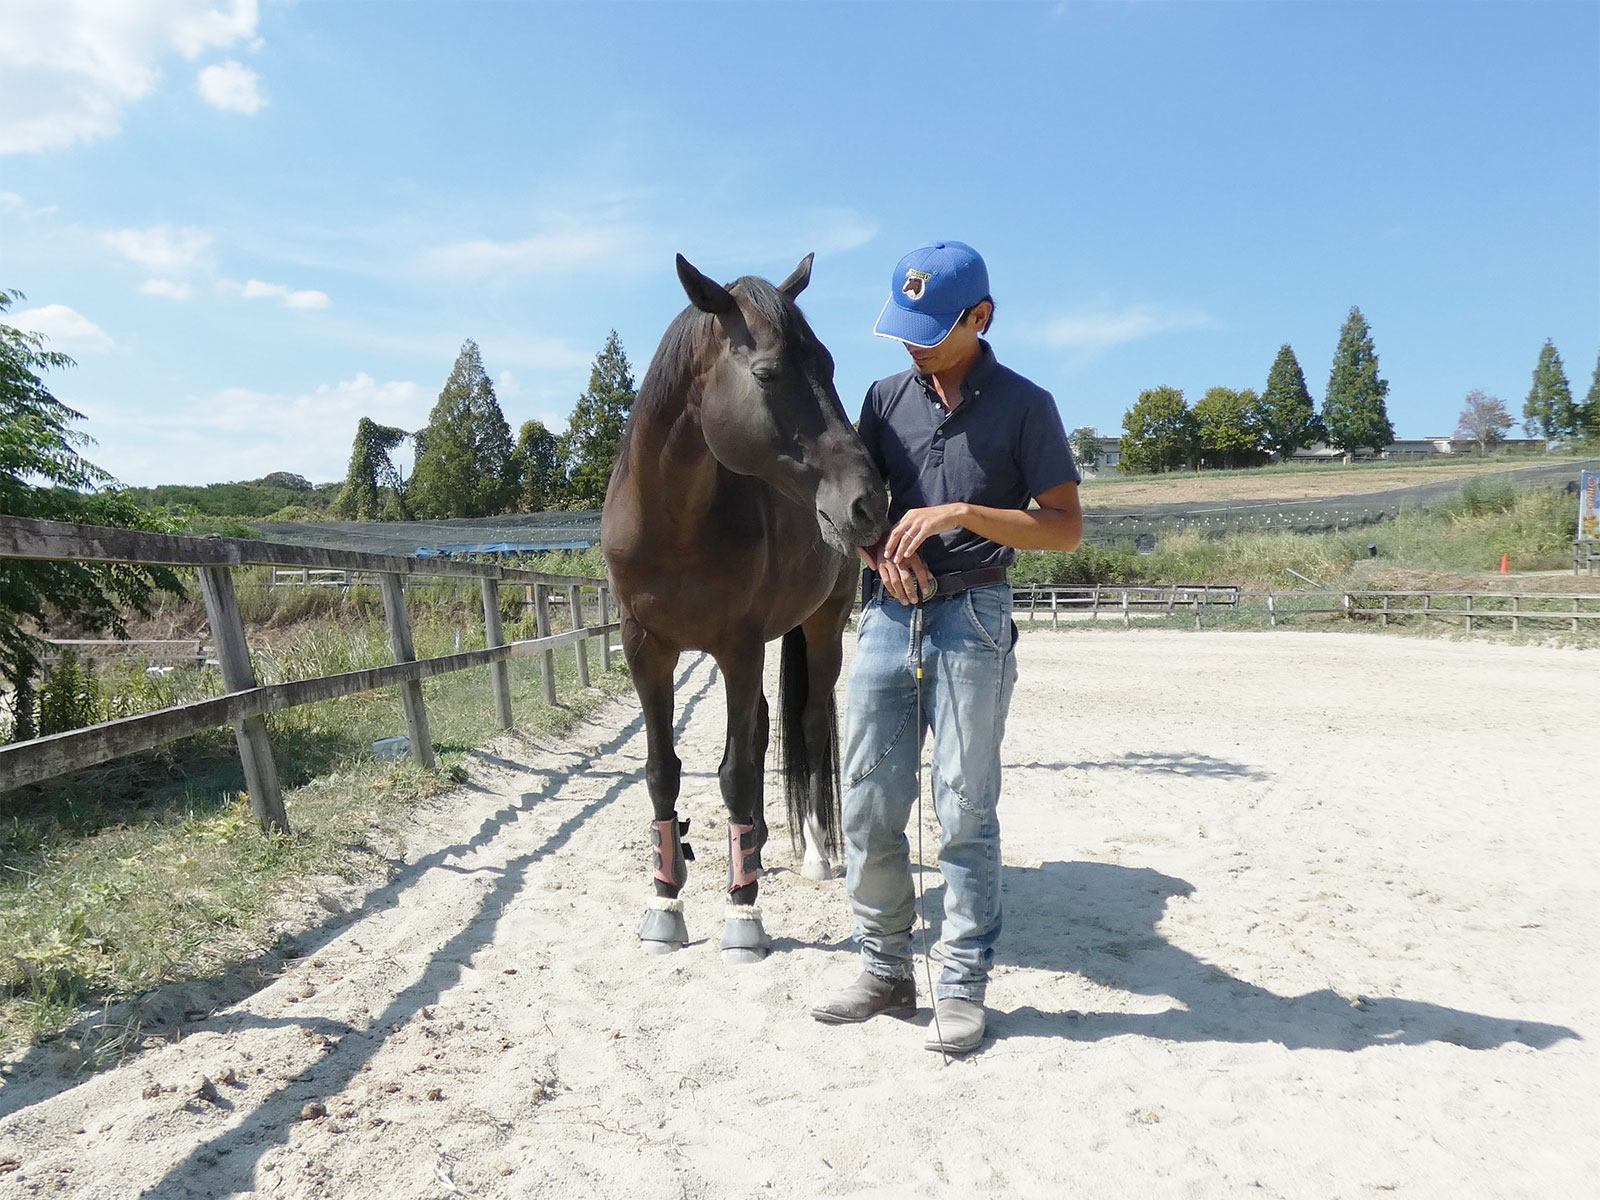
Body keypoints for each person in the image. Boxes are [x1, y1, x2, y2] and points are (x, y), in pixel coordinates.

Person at [811, 240, 1083, 1054]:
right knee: (865, 797)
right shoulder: (882, 397)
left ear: (982, 317)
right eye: (905, 327)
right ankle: (885, 967)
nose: (913, 343)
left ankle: (961, 983)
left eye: (930, 328)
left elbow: (1064, 528)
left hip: (974, 618)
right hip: (888, 619)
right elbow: (847, 508)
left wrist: (960, 512)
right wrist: (875, 559)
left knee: (964, 806)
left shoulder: (1027, 405)